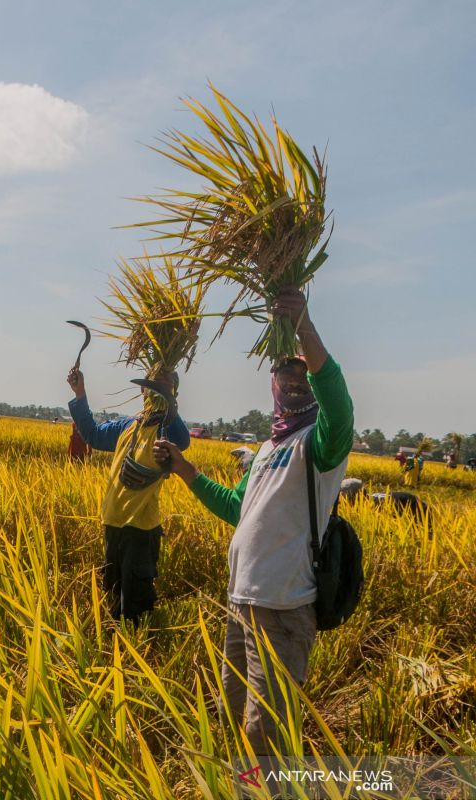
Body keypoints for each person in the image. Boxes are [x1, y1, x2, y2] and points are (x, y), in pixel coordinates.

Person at [153, 287, 352, 756]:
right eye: (286, 371)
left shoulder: (321, 443)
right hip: (240, 602)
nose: (296, 380)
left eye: (304, 373)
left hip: (283, 609)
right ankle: (242, 787)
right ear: (273, 382)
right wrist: (184, 469)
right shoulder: (266, 451)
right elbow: (235, 509)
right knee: (232, 711)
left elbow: (339, 405)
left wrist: (303, 323)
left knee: (267, 735)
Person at [68, 367, 190, 623]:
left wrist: (168, 400)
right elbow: (92, 434)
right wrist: (80, 394)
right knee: (112, 595)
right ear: (142, 390)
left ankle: (138, 655)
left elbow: (182, 439)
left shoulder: (165, 430)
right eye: (151, 387)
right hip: (112, 523)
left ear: (172, 394)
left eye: (162, 388)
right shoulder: (127, 425)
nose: (153, 392)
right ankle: (114, 650)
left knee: (135, 604)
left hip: (141, 530)